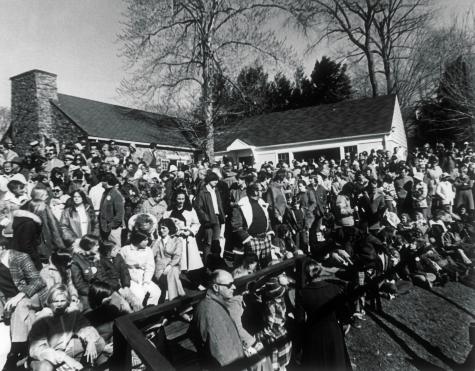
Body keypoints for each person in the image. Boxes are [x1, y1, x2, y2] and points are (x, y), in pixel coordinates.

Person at [29, 284, 106, 371]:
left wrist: (90, 340)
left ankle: (81, 367)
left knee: (99, 342)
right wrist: (65, 358)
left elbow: (84, 325)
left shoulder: (72, 311)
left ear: (68, 301)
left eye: (62, 300)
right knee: (45, 368)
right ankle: (68, 366)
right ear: (50, 301)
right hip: (46, 356)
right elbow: (36, 349)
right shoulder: (43, 317)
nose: (59, 304)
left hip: (66, 350)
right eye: (55, 301)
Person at [296, 260, 352, 370]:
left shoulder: (302, 293)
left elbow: (300, 320)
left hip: (313, 334)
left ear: (307, 275)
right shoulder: (334, 288)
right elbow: (344, 314)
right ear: (320, 271)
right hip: (333, 332)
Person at [0, 241, 48, 369]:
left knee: (21, 304)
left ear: (2, 247)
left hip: (33, 295)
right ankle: (23, 353)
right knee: (21, 310)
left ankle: (15, 350)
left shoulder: (20, 257)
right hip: (12, 301)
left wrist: (20, 295)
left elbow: (38, 281)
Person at [190, 269, 245, 368]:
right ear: (216, 287)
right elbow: (224, 355)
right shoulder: (210, 312)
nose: (234, 287)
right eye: (229, 285)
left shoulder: (213, 303)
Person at [231, 182, 274, 268]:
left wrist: (269, 233)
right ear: (255, 192)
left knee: (266, 267)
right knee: (251, 269)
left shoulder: (262, 202)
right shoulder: (241, 205)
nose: (263, 192)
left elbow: (267, 219)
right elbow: (236, 225)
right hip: (251, 241)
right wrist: (248, 240)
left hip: (265, 239)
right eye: (261, 190)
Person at [164, 189, 203, 273]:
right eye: (179, 199)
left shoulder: (190, 210)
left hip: (186, 238)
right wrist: (173, 231)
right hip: (173, 237)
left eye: (183, 199)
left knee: (186, 259)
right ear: (175, 199)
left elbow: (196, 223)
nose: (181, 201)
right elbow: (165, 223)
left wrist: (189, 232)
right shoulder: (169, 210)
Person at [120, 230, 161, 306]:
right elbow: (120, 267)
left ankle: (150, 311)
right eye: (145, 240)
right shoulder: (125, 250)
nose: (147, 242)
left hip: (143, 277)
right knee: (139, 295)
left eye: (147, 239)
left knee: (156, 292)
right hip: (130, 278)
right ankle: (137, 314)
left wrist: (146, 281)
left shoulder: (148, 250)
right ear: (138, 240)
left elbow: (150, 267)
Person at [152, 218, 186, 302]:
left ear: (169, 228)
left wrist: (169, 266)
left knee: (173, 271)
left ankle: (171, 297)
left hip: (173, 266)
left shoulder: (176, 240)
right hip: (159, 268)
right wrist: (156, 241)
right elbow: (151, 254)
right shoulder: (157, 242)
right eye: (160, 228)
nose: (161, 230)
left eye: (163, 228)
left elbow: (177, 256)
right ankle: (178, 297)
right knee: (171, 274)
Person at [194, 172, 226, 260]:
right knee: (208, 242)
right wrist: (206, 218)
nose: (216, 181)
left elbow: (219, 205)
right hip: (208, 220)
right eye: (214, 180)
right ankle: (206, 263)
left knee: (216, 242)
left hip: (217, 218)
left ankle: (216, 262)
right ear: (209, 180)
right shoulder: (202, 192)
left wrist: (222, 216)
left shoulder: (216, 191)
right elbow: (198, 207)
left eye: (217, 179)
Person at [99, 173, 125, 247]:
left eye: (102, 181)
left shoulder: (116, 194)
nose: (101, 183)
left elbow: (119, 214)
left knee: (115, 249)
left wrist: (111, 226)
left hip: (113, 229)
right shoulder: (105, 192)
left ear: (106, 182)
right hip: (105, 228)